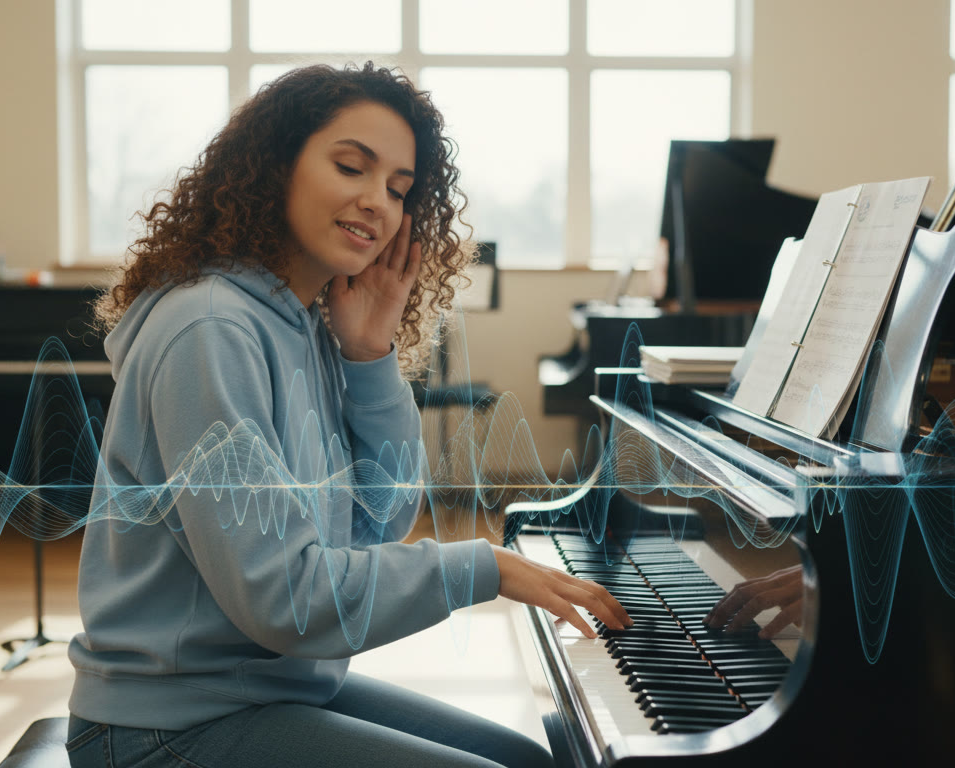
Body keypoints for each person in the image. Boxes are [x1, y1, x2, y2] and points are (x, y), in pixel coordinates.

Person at [66, 62, 631, 768]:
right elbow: (284, 602)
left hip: (266, 689)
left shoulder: (305, 321)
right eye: (351, 167)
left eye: (398, 189)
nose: (377, 202)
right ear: (277, 165)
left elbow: (374, 525)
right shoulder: (209, 327)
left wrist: (368, 357)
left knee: (532, 760)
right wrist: (481, 568)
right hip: (166, 727)